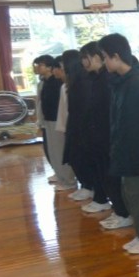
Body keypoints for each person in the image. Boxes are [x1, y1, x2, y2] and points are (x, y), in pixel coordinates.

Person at [99, 33, 139, 254]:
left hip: (137, 154)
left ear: (116, 56)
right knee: (131, 194)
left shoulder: (136, 84)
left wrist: (134, 155)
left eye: (105, 57)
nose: (104, 62)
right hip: (125, 150)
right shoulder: (121, 82)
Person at [78, 42, 133, 227]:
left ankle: (123, 213)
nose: (83, 62)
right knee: (104, 176)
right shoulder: (95, 78)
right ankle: (118, 210)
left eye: (85, 57)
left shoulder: (108, 79)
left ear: (96, 58)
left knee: (112, 178)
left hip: (107, 138)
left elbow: (109, 112)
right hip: (98, 138)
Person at [38, 54, 76, 192]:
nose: (56, 71)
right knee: (53, 152)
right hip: (49, 120)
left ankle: (68, 180)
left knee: (60, 152)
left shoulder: (59, 84)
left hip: (57, 121)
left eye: (57, 68)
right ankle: (61, 177)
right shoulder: (46, 83)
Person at [62, 49, 95, 202]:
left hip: (83, 127)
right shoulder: (74, 82)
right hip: (75, 125)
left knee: (82, 158)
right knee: (74, 158)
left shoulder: (84, 81)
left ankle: (89, 187)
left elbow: (84, 109)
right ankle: (85, 185)